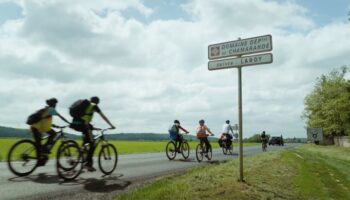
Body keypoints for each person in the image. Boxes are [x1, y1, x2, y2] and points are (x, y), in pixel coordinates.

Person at [70, 96, 115, 171]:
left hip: (74, 124)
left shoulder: (85, 106)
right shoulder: (94, 106)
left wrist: (92, 127)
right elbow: (103, 117)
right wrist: (111, 125)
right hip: (84, 125)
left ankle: (80, 155)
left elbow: (84, 117)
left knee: (86, 140)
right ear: (97, 102)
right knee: (92, 143)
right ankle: (88, 164)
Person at [30, 98, 70, 165]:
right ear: (53, 104)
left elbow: (44, 119)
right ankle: (43, 152)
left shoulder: (46, 109)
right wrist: (69, 123)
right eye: (55, 104)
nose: (56, 105)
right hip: (39, 128)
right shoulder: (51, 109)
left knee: (39, 144)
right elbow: (61, 117)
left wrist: (53, 125)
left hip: (35, 127)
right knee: (53, 134)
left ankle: (41, 159)